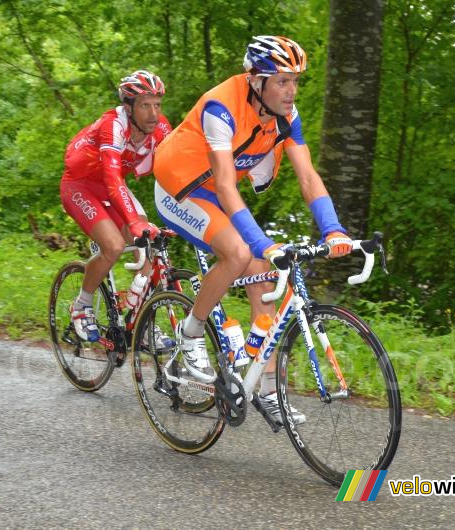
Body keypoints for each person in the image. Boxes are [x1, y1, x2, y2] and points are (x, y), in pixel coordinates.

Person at [153, 36, 353, 424]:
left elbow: (308, 176)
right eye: (282, 81)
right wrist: (261, 241)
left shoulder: (284, 115)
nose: (291, 90)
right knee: (241, 253)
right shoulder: (220, 107)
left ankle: (267, 391)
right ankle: (191, 332)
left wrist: (333, 229)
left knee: (265, 277)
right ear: (256, 81)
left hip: (216, 195)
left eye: (295, 80)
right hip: (180, 188)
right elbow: (226, 185)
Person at [61, 70, 172, 342]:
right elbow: (111, 176)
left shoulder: (160, 128)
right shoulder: (113, 125)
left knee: (150, 242)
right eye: (145, 105)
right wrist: (133, 221)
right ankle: (81, 305)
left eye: (157, 105)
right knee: (113, 246)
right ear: (128, 106)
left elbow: (176, 166)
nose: (153, 114)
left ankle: (140, 318)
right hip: (81, 185)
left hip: (113, 186)